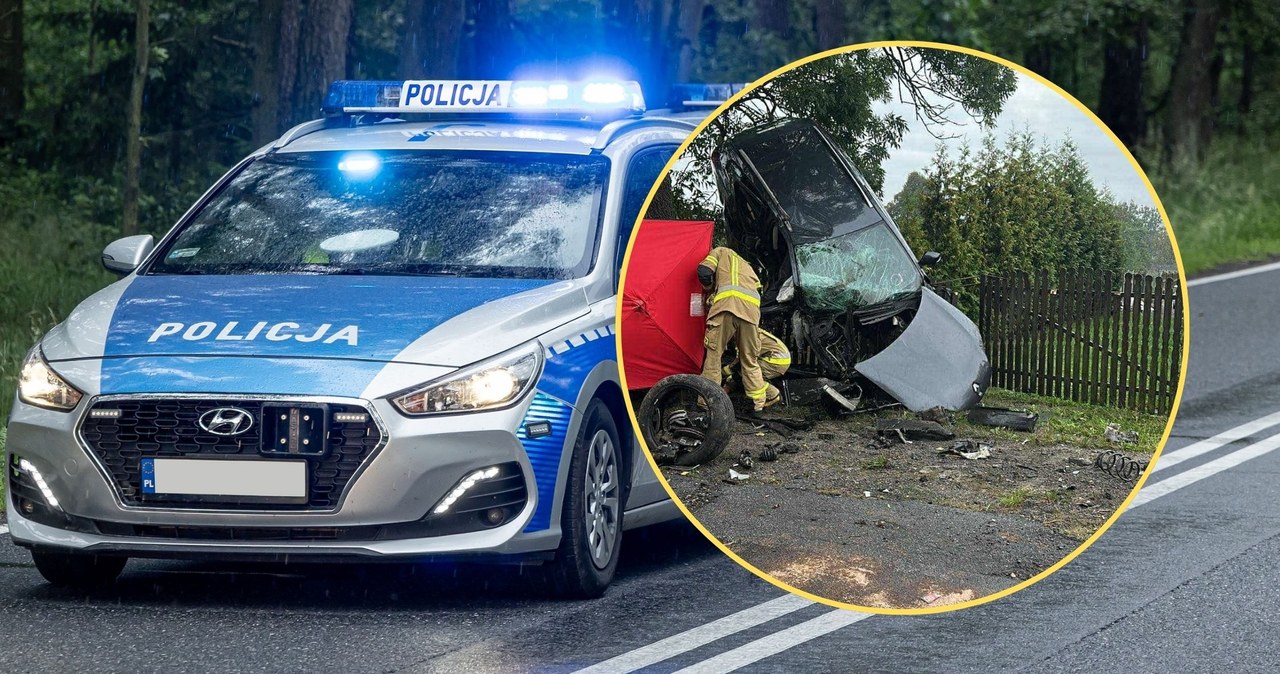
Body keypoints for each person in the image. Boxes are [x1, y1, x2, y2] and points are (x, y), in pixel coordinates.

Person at [698, 246, 780, 411]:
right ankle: (759, 404)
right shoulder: (749, 268)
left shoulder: (720, 251)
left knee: (714, 356)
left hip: (726, 308)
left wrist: (709, 290)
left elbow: (704, 271)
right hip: (751, 314)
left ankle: (708, 402)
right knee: (749, 360)